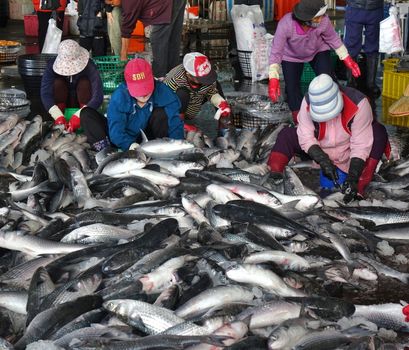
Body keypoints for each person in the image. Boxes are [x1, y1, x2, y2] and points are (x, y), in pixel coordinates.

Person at [267, 74, 390, 203]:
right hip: (319, 147)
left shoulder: (359, 103)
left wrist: (353, 176)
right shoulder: (307, 102)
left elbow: (360, 144)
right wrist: (323, 160)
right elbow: (306, 137)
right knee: (286, 135)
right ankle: (273, 181)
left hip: (349, 148)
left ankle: (360, 186)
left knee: (378, 132)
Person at [268, 0, 361, 124]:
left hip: (318, 50)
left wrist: (347, 58)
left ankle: (340, 115)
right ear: (306, 20)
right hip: (291, 56)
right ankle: (299, 121)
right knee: (292, 90)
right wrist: (273, 78)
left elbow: (333, 38)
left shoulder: (323, 21)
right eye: (318, 17)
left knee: (329, 81)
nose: (322, 18)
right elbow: (276, 51)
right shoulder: (286, 24)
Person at [80, 58, 184, 151]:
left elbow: (175, 124)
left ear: (152, 79)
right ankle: (105, 150)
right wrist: (129, 145)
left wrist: (176, 145)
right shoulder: (120, 96)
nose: (143, 95)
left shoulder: (163, 92)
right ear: (128, 85)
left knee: (162, 113)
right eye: (138, 90)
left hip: (147, 138)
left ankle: (159, 148)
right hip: (120, 139)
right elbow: (116, 132)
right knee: (86, 113)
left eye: (146, 88)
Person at [41, 39, 104, 136]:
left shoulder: (89, 66)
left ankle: (85, 120)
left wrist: (80, 115)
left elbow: (98, 95)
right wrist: (57, 115)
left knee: (85, 83)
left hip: (84, 104)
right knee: (57, 83)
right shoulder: (51, 66)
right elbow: (45, 93)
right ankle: (60, 123)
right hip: (62, 103)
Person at [164, 52, 231, 131]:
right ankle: (179, 123)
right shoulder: (175, 79)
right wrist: (181, 124)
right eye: (202, 79)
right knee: (182, 93)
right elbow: (165, 105)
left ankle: (223, 127)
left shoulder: (206, 73)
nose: (206, 80)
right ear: (188, 75)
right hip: (176, 110)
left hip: (196, 101)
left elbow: (211, 91)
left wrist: (221, 103)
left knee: (216, 85)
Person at [120, 0, 186, 79]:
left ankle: (159, 78)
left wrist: (123, 55)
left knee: (158, 39)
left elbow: (127, 27)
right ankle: (173, 77)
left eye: (111, 2)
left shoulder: (128, 2)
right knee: (172, 39)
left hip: (168, 3)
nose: (112, 5)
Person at [344, 0, 384, 98]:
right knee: (351, 46)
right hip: (355, 7)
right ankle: (350, 81)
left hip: (375, 8)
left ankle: (371, 83)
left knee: (373, 47)